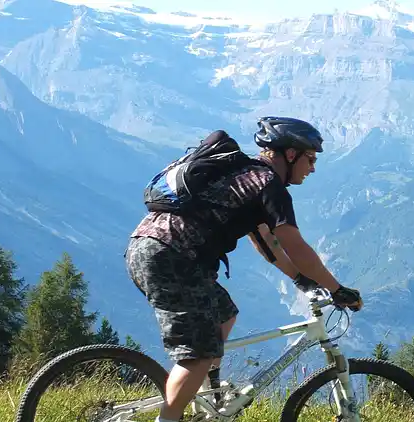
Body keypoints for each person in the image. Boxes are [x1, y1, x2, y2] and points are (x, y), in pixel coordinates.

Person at [124, 116, 364, 422]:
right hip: (172, 257)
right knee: (196, 355)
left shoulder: (244, 175)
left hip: (150, 248)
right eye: (310, 159)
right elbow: (294, 244)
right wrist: (336, 289)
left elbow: (267, 244)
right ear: (291, 154)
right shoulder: (269, 185)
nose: (313, 168)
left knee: (225, 315)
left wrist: (302, 280)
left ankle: (208, 400)